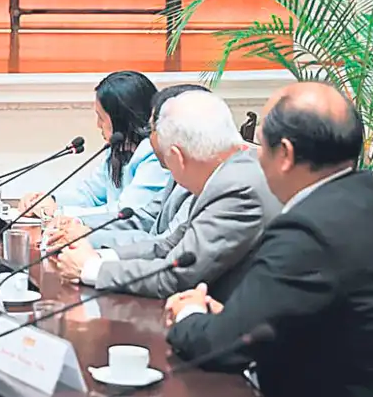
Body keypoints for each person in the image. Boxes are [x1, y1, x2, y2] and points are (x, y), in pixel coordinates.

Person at [165, 82, 373, 397]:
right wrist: (235, 318)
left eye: (260, 144)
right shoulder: (361, 198)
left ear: (285, 154)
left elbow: (221, 348)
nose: (255, 156)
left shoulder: (310, 228)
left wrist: (188, 313)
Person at [55, 90, 281, 299]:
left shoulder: (236, 190)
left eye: (165, 162)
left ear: (177, 157)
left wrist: (90, 269)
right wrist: (98, 258)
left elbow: (179, 274)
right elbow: (167, 246)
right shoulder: (226, 173)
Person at [21, 70, 170, 231]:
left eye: (101, 118)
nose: (98, 125)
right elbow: (90, 194)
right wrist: (50, 200)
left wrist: (59, 213)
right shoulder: (118, 148)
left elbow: (124, 213)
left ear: (122, 119)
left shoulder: (154, 155)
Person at [82, 83, 207, 249]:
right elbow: (145, 217)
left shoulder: (205, 182)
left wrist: (87, 242)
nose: (149, 137)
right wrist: (81, 229)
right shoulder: (179, 170)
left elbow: (166, 244)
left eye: (152, 130)